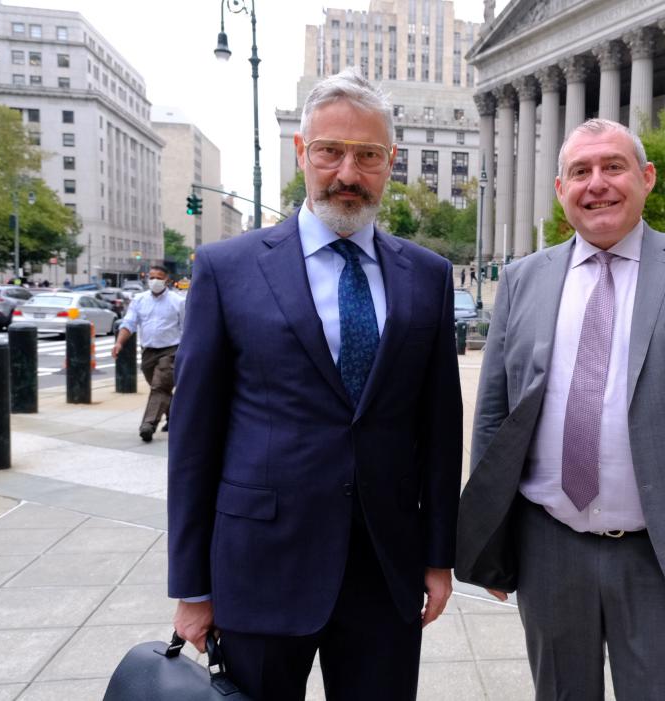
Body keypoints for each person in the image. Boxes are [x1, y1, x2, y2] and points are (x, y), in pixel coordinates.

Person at [456, 119, 665, 700]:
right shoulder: (523, 279)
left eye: (613, 167)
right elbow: (494, 420)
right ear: (561, 189)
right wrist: (489, 540)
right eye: (580, 171)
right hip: (547, 546)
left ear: (646, 178)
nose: (596, 183)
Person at [167, 68, 462, 701]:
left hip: (385, 571)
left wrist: (438, 557)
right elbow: (193, 438)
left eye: (368, 155)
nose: (348, 174)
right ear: (302, 152)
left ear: (392, 162)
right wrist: (191, 585)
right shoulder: (228, 269)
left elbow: (440, 431)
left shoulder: (429, 278)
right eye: (330, 151)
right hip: (261, 567)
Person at [112, 265, 184, 442]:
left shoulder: (178, 301)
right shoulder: (139, 300)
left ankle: (148, 425)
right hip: (148, 352)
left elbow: (186, 328)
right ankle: (175, 418)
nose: (155, 281)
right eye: (151, 277)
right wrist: (119, 343)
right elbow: (129, 323)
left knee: (159, 387)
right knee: (161, 388)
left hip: (171, 350)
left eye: (159, 277)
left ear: (166, 279)